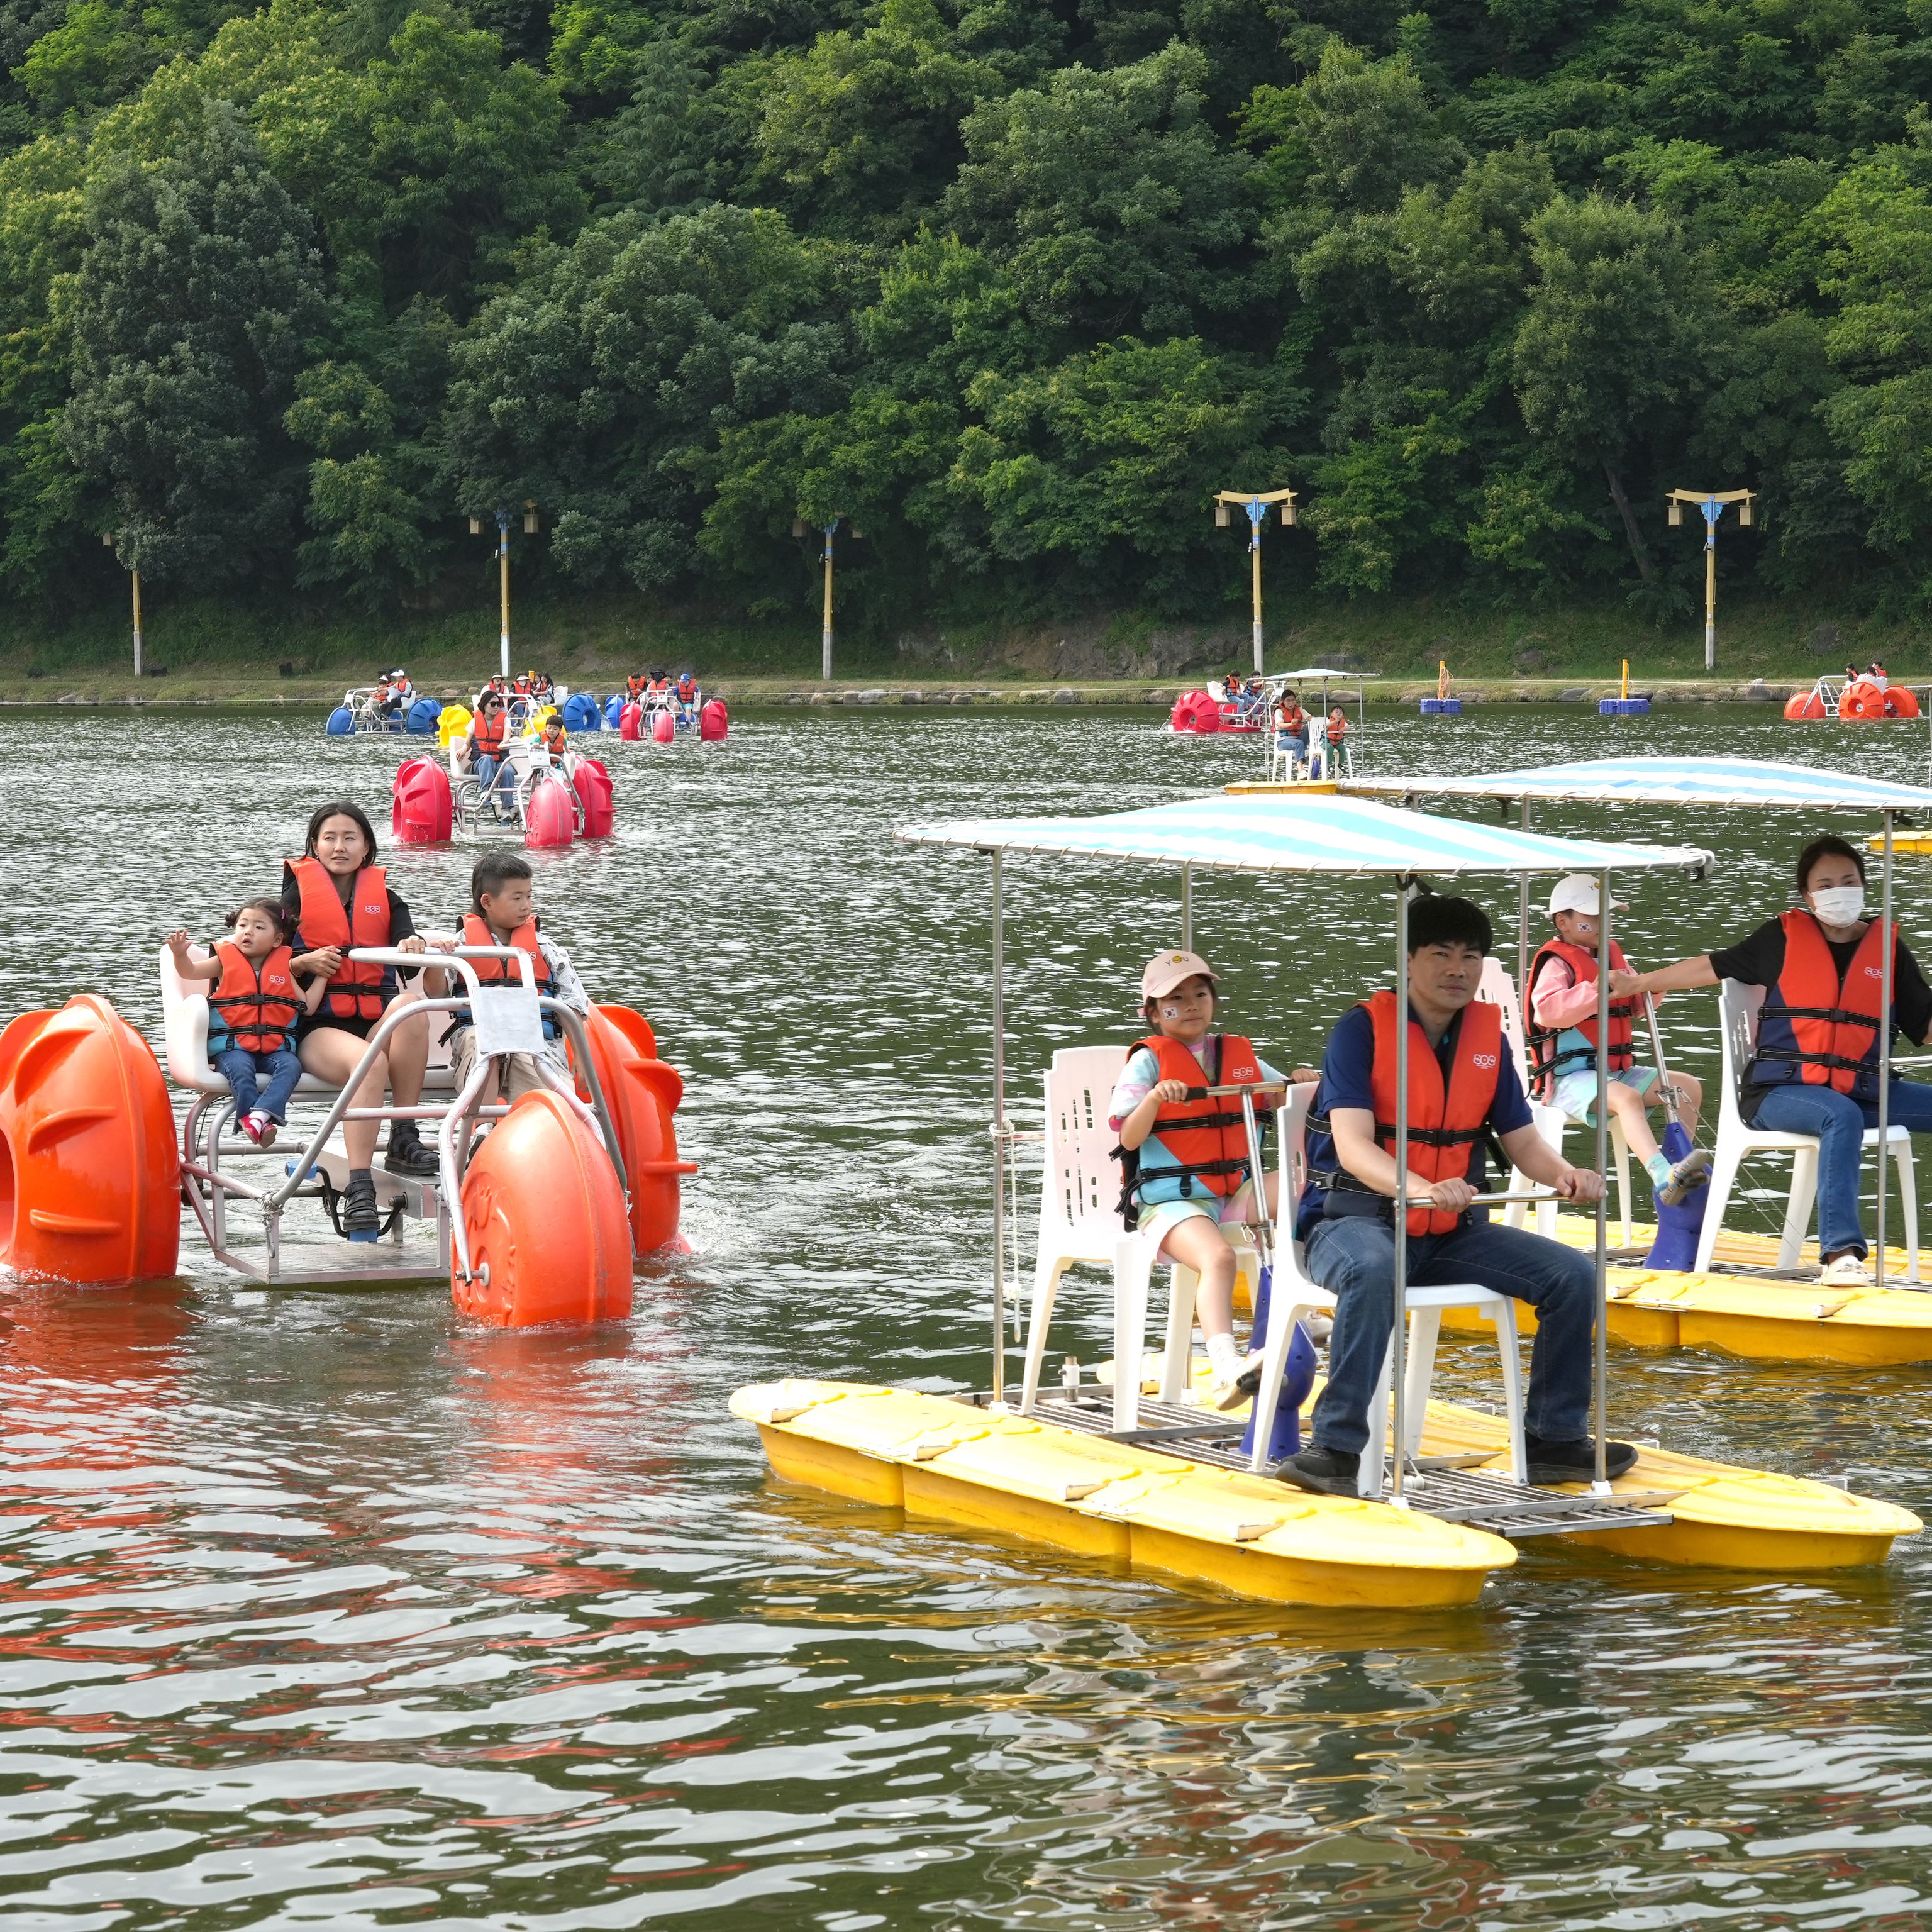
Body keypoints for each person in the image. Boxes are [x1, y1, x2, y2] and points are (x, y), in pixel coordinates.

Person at [1289, 894, 1630, 1497]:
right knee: (1375, 1267)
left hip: (1448, 1233)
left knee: (1573, 1275)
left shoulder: (1487, 1039)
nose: (1457, 969)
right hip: (1350, 1224)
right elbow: (1353, 1147)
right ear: (1408, 959)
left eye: (1470, 957)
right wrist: (1423, 1189)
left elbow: (1523, 1141)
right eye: (1441, 954)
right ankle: (1335, 1449)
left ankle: (1554, 1441)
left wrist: (1565, 1175)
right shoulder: (1359, 1032)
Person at [1630, 834, 1932, 1285]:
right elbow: (1711, 966)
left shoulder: (1889, 952)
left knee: (1847, 1111)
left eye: (1849, 880)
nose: (1839, 891)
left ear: (1864, 886)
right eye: (1826, 884)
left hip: (1862, 1090)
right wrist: (1639, 983)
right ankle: (1840, 1256)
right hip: (1778, 1093)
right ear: (1808, 896)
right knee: (1840, 1116)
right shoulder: (1781, 939)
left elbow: (1924, 1027)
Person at [1110, 950, 1285, 1406]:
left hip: (1235, 1191)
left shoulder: (1235, 1054)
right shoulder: (1148, 1062)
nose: (1190, 1005)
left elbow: (1283, 1097)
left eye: (1200, 994)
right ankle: (1226, 1367)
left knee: (1310, 1191)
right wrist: (1154, 1099)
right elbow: (1128, 1137)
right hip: (1171, 1203)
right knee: (1220, 1258)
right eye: (1175, 998)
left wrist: (1299, 1083)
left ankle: (1300, 1315)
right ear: (1153, 1013)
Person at [282, 801, 444, 1231]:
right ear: (314, 846)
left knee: (411, 1007)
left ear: (367, 846)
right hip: (319, 1029)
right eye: (330, 838)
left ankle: (404, 1136)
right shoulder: (292, 901)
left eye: (350, 838)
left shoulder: (387, 899)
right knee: (368, 1063)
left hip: (373, 1021)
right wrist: (301, 963)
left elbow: (406, 940)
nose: (340, 847)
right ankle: (359, 1187)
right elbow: (262, 958)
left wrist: (413, 943)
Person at [1527, 874, 1708, 1206]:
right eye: (1593, 916)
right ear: (1563, 922)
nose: (1603, 922)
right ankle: (1661, 1173)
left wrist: (1652, 986)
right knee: (1627, 1098)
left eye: (1606, 914)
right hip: (1569, 1079)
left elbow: (1639, 1007)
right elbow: (1548, 1012)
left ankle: (1678, 1172)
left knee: (1687, 1087)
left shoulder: (1613, 957)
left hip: (1615, 1072)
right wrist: (1596, 989)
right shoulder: (1556, 963)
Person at [167, 899, 325, 1148]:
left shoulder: (284, 967)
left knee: (291, 1066)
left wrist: (323, 977)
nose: (248, 932)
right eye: (242, 925)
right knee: (241, 1069)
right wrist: (179, 955)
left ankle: (258, 1116)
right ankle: (257, 1120)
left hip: (276, 1050)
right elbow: (190, 972)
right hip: (232, 1049)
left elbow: (307, 1006)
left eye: (259, 927)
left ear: (278, 939)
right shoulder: (223, 962)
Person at [438, 851, 591, 1104]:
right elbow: (436, 992)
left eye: (529, 896)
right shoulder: (460, 947)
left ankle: (544, 1118)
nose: (526, 906)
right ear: (487, 902)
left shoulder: (547, 949)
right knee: (482, 1042)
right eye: (517, 898)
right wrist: (440, 958)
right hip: (478, 1041)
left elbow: (571, 1005)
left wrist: (582, 1057)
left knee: (545, 1077)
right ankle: (483, 1124)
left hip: (538, 1044)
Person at [460, 691, 518, 813]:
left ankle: (507, 808)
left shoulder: (505, 720)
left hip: (500, 761)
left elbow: (507, 736)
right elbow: (467, 742)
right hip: (480, 763)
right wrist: (463, 749)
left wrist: (504, 743)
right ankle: (485, 793)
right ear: (484, 705)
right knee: (487, 758)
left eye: (498, 704)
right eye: (493, 704)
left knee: (508, 771)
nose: (496, 707)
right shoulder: (474, 721)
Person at [1272, 687, 1309, 767]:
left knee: (1308, 729)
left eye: (1293, 700)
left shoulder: (1299, 710)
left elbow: (1309, 717)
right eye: (1288, 700)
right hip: (1283, 742)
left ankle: (1319, 763)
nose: (1291, 703)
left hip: (1298, 738)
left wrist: (1317, 721)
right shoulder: (1279, 711)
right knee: (1299, 743)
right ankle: (1301, 770)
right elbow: (1280, 725)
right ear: (1283, 701)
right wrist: (1291, 724)